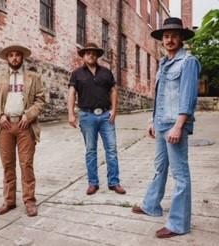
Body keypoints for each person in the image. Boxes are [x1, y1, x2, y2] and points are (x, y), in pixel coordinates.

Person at [131, 17, 201, 238]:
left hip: (174, 125)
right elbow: (159, 96)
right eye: (166, 36)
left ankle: (179, 224)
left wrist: (179, 126)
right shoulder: (163, 63)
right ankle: (152, 205)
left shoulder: (188, 62)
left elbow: (188, 98)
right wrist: (152, 121)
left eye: (174, 35)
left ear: (181, 38)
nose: (170, 39)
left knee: (180, 174)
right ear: (162, 39)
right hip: (161, 123)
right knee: (160, 167)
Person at [0, 45, 45, 217]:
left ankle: (29, 200)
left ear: (22, 58)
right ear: (7, 58)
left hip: (25, 126)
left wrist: (29, 115)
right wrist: (0, 115)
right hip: (5, 127)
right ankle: (9, 201)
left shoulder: (32, 77)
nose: (14, 58)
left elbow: (40, 100)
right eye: (11, 55)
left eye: (17, 55)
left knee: (26, 164)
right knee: (8, 164)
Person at [68, 42, 126, 196]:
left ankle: (114, 182)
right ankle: (93, 183)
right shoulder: (77, 73)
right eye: (88, 53)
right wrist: (71, 113)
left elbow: (113, 91)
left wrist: (114, 109)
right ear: (83, 55)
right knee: (91, 150)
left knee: (112, 149)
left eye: (94, 53)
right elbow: (72, 93)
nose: (91, 55)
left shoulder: (106, 72)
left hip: (106, 116)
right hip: (87, 116)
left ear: (97, 55)